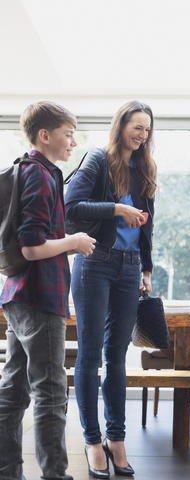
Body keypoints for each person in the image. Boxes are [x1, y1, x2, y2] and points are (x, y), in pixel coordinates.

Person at [0, 101, 96, 480]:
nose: (73, 141)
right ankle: (56, 475)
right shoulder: (41, 175)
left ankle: (7, 471)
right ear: (45, 135)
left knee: (13, 390)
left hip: (17, 294)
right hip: (41, 297)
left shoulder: (20, 169)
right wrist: (73, 241)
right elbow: (32, 247)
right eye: (68, 133)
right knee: (51, 393)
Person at [64, 100, 157, 478]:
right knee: (89, 355)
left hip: (130, 267)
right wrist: (117, 209)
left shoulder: (146, 168)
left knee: (117, 356)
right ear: (121, 125)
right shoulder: (98, 160)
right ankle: (92, 441)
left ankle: (116, 440)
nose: (142, 134)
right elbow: (72, 207)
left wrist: (147, 267)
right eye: (137, 126)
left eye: (148, 129)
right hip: (95, 262)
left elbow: (148, 224)